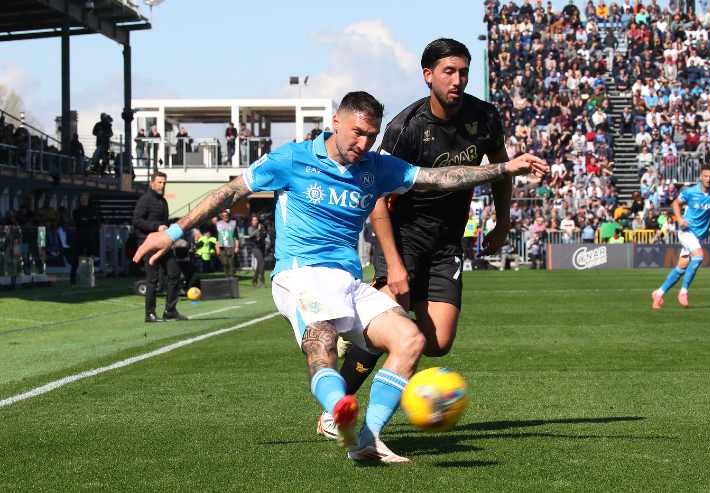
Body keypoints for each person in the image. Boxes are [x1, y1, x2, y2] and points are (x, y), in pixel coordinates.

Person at [133, 91, 547, 463]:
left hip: (347, 280)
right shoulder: (291, 159)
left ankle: (366, 437)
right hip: (299, 275)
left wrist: (504, 168)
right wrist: (171, 233)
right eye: (356, 133)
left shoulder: (377, 167)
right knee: (322, 339)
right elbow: (229, 192)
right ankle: (339, 410)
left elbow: (438, 177)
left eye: (371, 135)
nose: (363, 143)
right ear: (336, 121)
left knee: (412, 339)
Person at [328, 39, 520, 433]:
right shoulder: (406, 127)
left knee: (438, 343)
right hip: (402, 237)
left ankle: (367, 336)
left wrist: (502, 222)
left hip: (447, 241)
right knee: (394, 323)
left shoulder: (484, 117)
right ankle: (335, 411)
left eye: (463, 72)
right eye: (449, 71)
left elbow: (500, 168)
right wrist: (394, 263)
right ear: (428, 75)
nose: (458, 80)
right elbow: (377, 195)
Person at [652, 164, 710, 309]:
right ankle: (683, 291)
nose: (708, 179)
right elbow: (675, 203)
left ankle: (659, 293)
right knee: (699, 257)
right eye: (706, 176)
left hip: (699, 236)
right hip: (686, 231)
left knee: (681, 267)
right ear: (701, 177)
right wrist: (680, 219)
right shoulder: (691, 192)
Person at [133, 172, 187, 322]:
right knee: (152, 279)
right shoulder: (145, 200)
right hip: (148, 244)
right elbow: (136, 221)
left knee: (174, 273)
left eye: (164, 182)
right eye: (159, 182)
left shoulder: (163, 201)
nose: (162, 185)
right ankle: (149, 314)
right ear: (152, 183)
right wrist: (156, 227)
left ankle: (170, 310)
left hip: (163, 244)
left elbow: (165, 224)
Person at [71, 192, 100, 284]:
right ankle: (73, 279)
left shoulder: (93, 210)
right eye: (82, 197)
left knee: (89, 258)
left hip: (90, 237)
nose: (83, 199)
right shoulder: (77, 211)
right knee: (76, 258)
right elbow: (78, 221)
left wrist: (87, 220)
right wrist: (89, 220)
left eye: (85, 197)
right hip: (79, 237)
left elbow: (96, 222)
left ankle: (89, 279)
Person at [215, 209, 239, 276]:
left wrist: (237, 247)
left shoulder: (233, 223)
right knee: (224, 262)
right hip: (222, 246)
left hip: (231, 246)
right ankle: (227, 275)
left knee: (231, 262)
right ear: (222, 216)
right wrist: (217, 248)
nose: (225, 217)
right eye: (223, 216)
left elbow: (236, 237)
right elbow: (217, 238)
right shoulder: (218, 224)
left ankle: (231, 276)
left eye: (226, 215)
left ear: (229, 215)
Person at [245, 214, 266, 287]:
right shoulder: (250, 228)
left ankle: (254, 280)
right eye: (253, 220)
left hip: (261, 247)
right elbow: (251, 235)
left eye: (256, 220)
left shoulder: (261, 227)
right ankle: (262, 281)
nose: (255, 221)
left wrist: (262, 231)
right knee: (262, 263)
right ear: (251, 221)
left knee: (259, 265)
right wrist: (258, 230)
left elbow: (264, 235)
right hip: (254, 247)